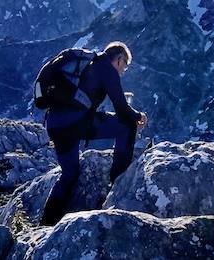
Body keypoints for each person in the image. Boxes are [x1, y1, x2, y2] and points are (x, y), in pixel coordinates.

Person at [39, 40, 148, 226]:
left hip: (55, 124)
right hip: (76, 123)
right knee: (127, 125)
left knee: (69, 173)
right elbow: (121, 108)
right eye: (125, 67)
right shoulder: (107, 69)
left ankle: (46, 222)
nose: (123, 71)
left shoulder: (88, 63)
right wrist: (139, 116)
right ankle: (118, 182)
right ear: (120, 59)